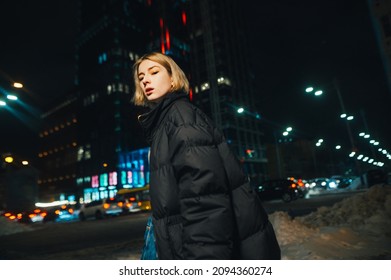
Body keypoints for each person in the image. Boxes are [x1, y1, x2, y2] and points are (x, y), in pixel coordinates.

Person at [133, 52, 281, 260]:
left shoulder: (180, 118)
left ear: (173, 78)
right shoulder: (166, 121)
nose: (146, 79)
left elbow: (205, 198)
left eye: (154, 72)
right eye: (141, 78)